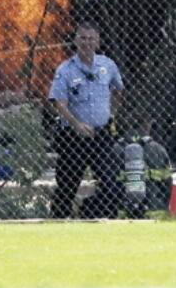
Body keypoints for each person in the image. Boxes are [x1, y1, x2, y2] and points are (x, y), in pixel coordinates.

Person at [48, 23, 123, 219]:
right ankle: (59, 221)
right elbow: (58, 103)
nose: (87, 42)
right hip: (73, 137)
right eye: (83, 38)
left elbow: (118, 90)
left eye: (91, 39)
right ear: (75, 41)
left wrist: (111, 115)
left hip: (101, 135)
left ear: (98, 43)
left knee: (110, 181)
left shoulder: (108, 65)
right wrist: (76, 124)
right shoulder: (65, 70)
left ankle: (101, 218)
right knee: (67, 184)